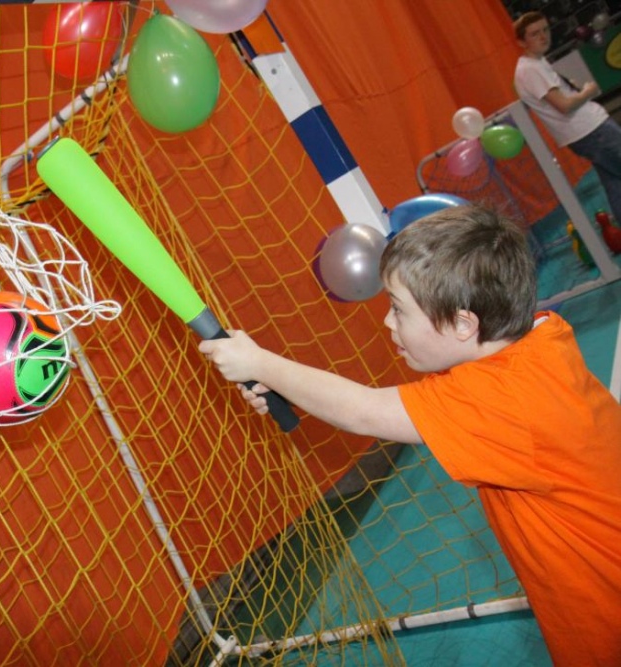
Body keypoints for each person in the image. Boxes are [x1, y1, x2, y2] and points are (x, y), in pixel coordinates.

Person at [199, 206, 621, 667]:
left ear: (463, 324)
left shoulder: (500, 399)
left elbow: (364, 411)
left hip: (603, 604)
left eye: (399, 309)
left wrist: (259, 363)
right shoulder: (539, 338)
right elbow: (424, 405)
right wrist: (295, 392)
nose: (387, 322)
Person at [513, 10, 621, 223]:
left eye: (545, 30)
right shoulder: (529, 69)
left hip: (586, 131)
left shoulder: (536, 65)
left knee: (614, 182)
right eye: (535, 33)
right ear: (521, 42)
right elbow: (564, 106)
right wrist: (587, 91)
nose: (543, 36)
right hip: (590, 130)